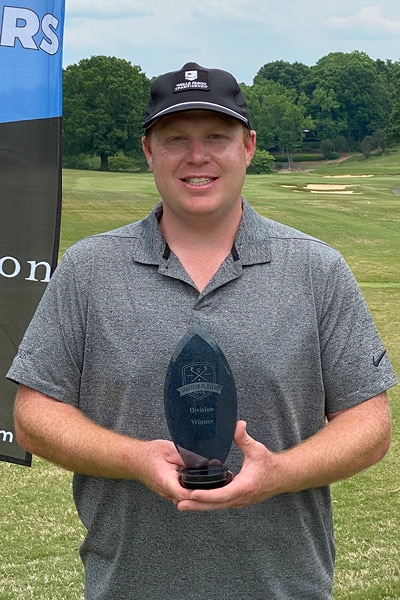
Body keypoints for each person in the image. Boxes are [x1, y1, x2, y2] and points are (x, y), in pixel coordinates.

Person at [8, 62, 397, 600]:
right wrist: (133, 459)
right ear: (149, 151)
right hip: (127, 587)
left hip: (285, 588)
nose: (197, 156)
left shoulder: (316, 269)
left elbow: (370, 426)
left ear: (249, 146)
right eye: (176, 139)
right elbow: (33, 416)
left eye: (217, 136)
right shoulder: (89, 268)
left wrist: (278, 473)